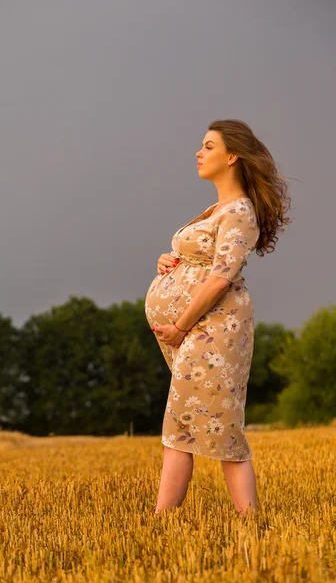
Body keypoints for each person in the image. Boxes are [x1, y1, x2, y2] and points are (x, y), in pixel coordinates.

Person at [144, 119, 292, 517]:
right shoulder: (218, 208)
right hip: (199, 331)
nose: (198, 152)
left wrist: (179, 326)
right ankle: (168, 521)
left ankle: (246, 522)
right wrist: (170, 263)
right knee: (186, 421)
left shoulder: (241, 211)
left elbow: (220, 278)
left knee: (215, 426)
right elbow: (202, 258)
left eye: (208, 146)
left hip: (214, 329)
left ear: (232, 156)